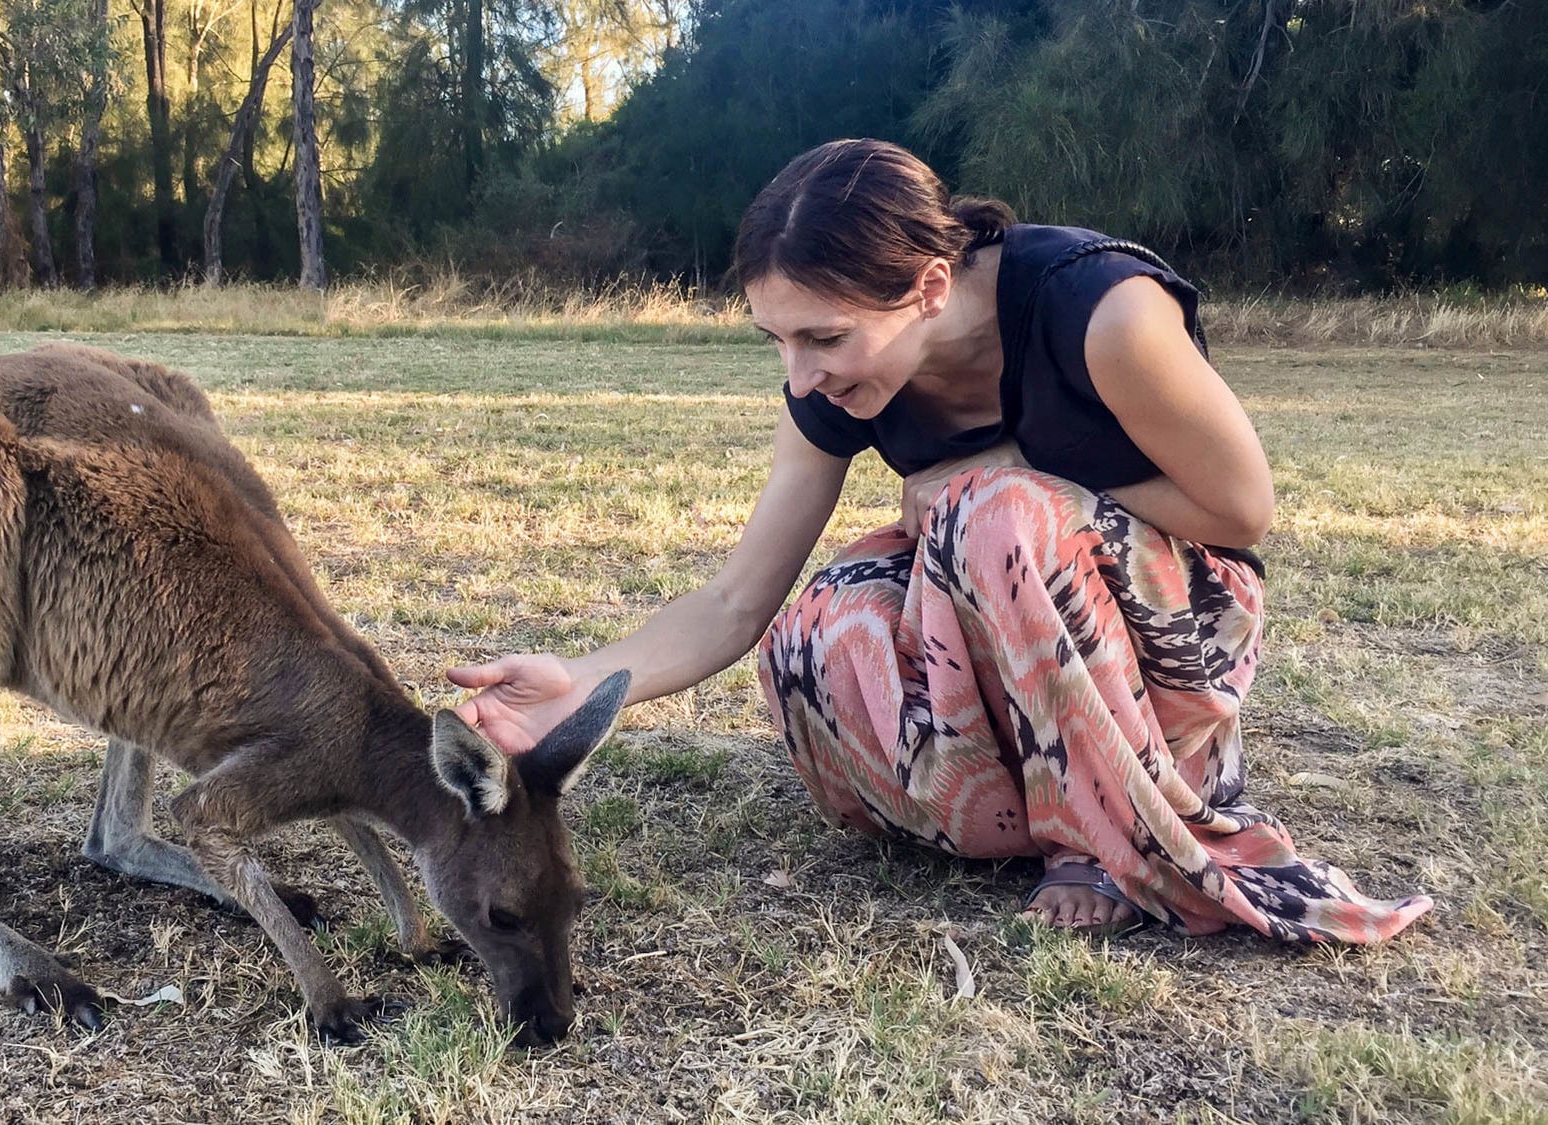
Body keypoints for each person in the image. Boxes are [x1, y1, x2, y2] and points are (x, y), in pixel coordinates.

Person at [445, 139, 1431, 942]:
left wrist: (1005, 464)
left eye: (822, 339)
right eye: (777, 342)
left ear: (925, 286)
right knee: (813, 628)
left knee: (990, 511)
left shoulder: (1099, 310)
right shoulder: (838, 382)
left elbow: (1239, 510)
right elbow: (735, 600)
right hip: (1006, 601)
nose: (798, 377)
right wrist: (583, 682)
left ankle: (1108, 829)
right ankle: (1010, 812)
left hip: (1179, 618)